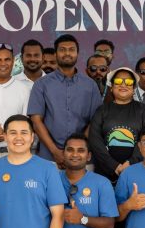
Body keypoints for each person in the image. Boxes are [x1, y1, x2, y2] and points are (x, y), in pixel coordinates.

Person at [88, 67, 145, 228]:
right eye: (118, 82)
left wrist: (129, 165)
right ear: (111, 86)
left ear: (134, 87)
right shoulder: (102, 110)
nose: (123, 85)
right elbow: (95, 141)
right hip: (107, 172)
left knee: (135, 215)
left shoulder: (144, 111)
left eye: (128, 82)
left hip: (137, 171)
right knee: (112, 215)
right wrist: (114, 166)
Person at [28, 34, 103, 167]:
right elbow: (36, 121)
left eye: (71, 49)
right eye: (62, 49)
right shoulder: (41, 84)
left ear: (78, 53)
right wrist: (55, 151)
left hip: (82, 159)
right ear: (55, 54)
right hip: (48, 158)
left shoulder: (90, 85)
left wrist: (77, 150)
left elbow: (95, 121)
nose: (67, 53)